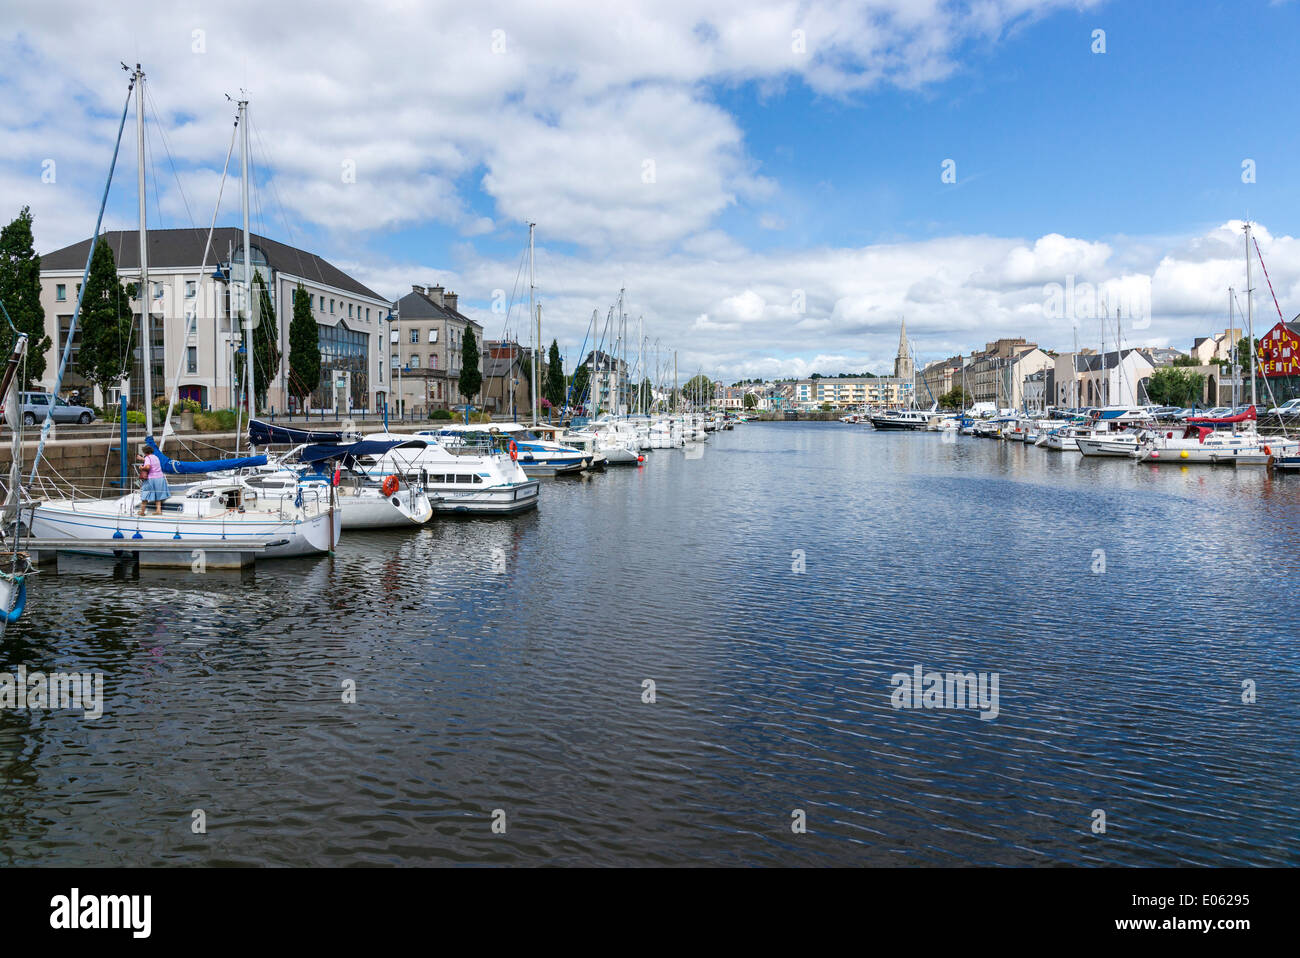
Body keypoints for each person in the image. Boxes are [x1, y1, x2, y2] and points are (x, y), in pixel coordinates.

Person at [137, 443, 169, 516]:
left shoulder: (148, 458)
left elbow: (148, 467)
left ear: (145, 452)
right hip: (160, 478)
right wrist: (142, 459)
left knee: (145, 493)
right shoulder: (156, 457)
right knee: (158, 494)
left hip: (151, 478)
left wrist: (141, 467)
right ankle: (158, 510)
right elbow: (150, 461)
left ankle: (142, 512)